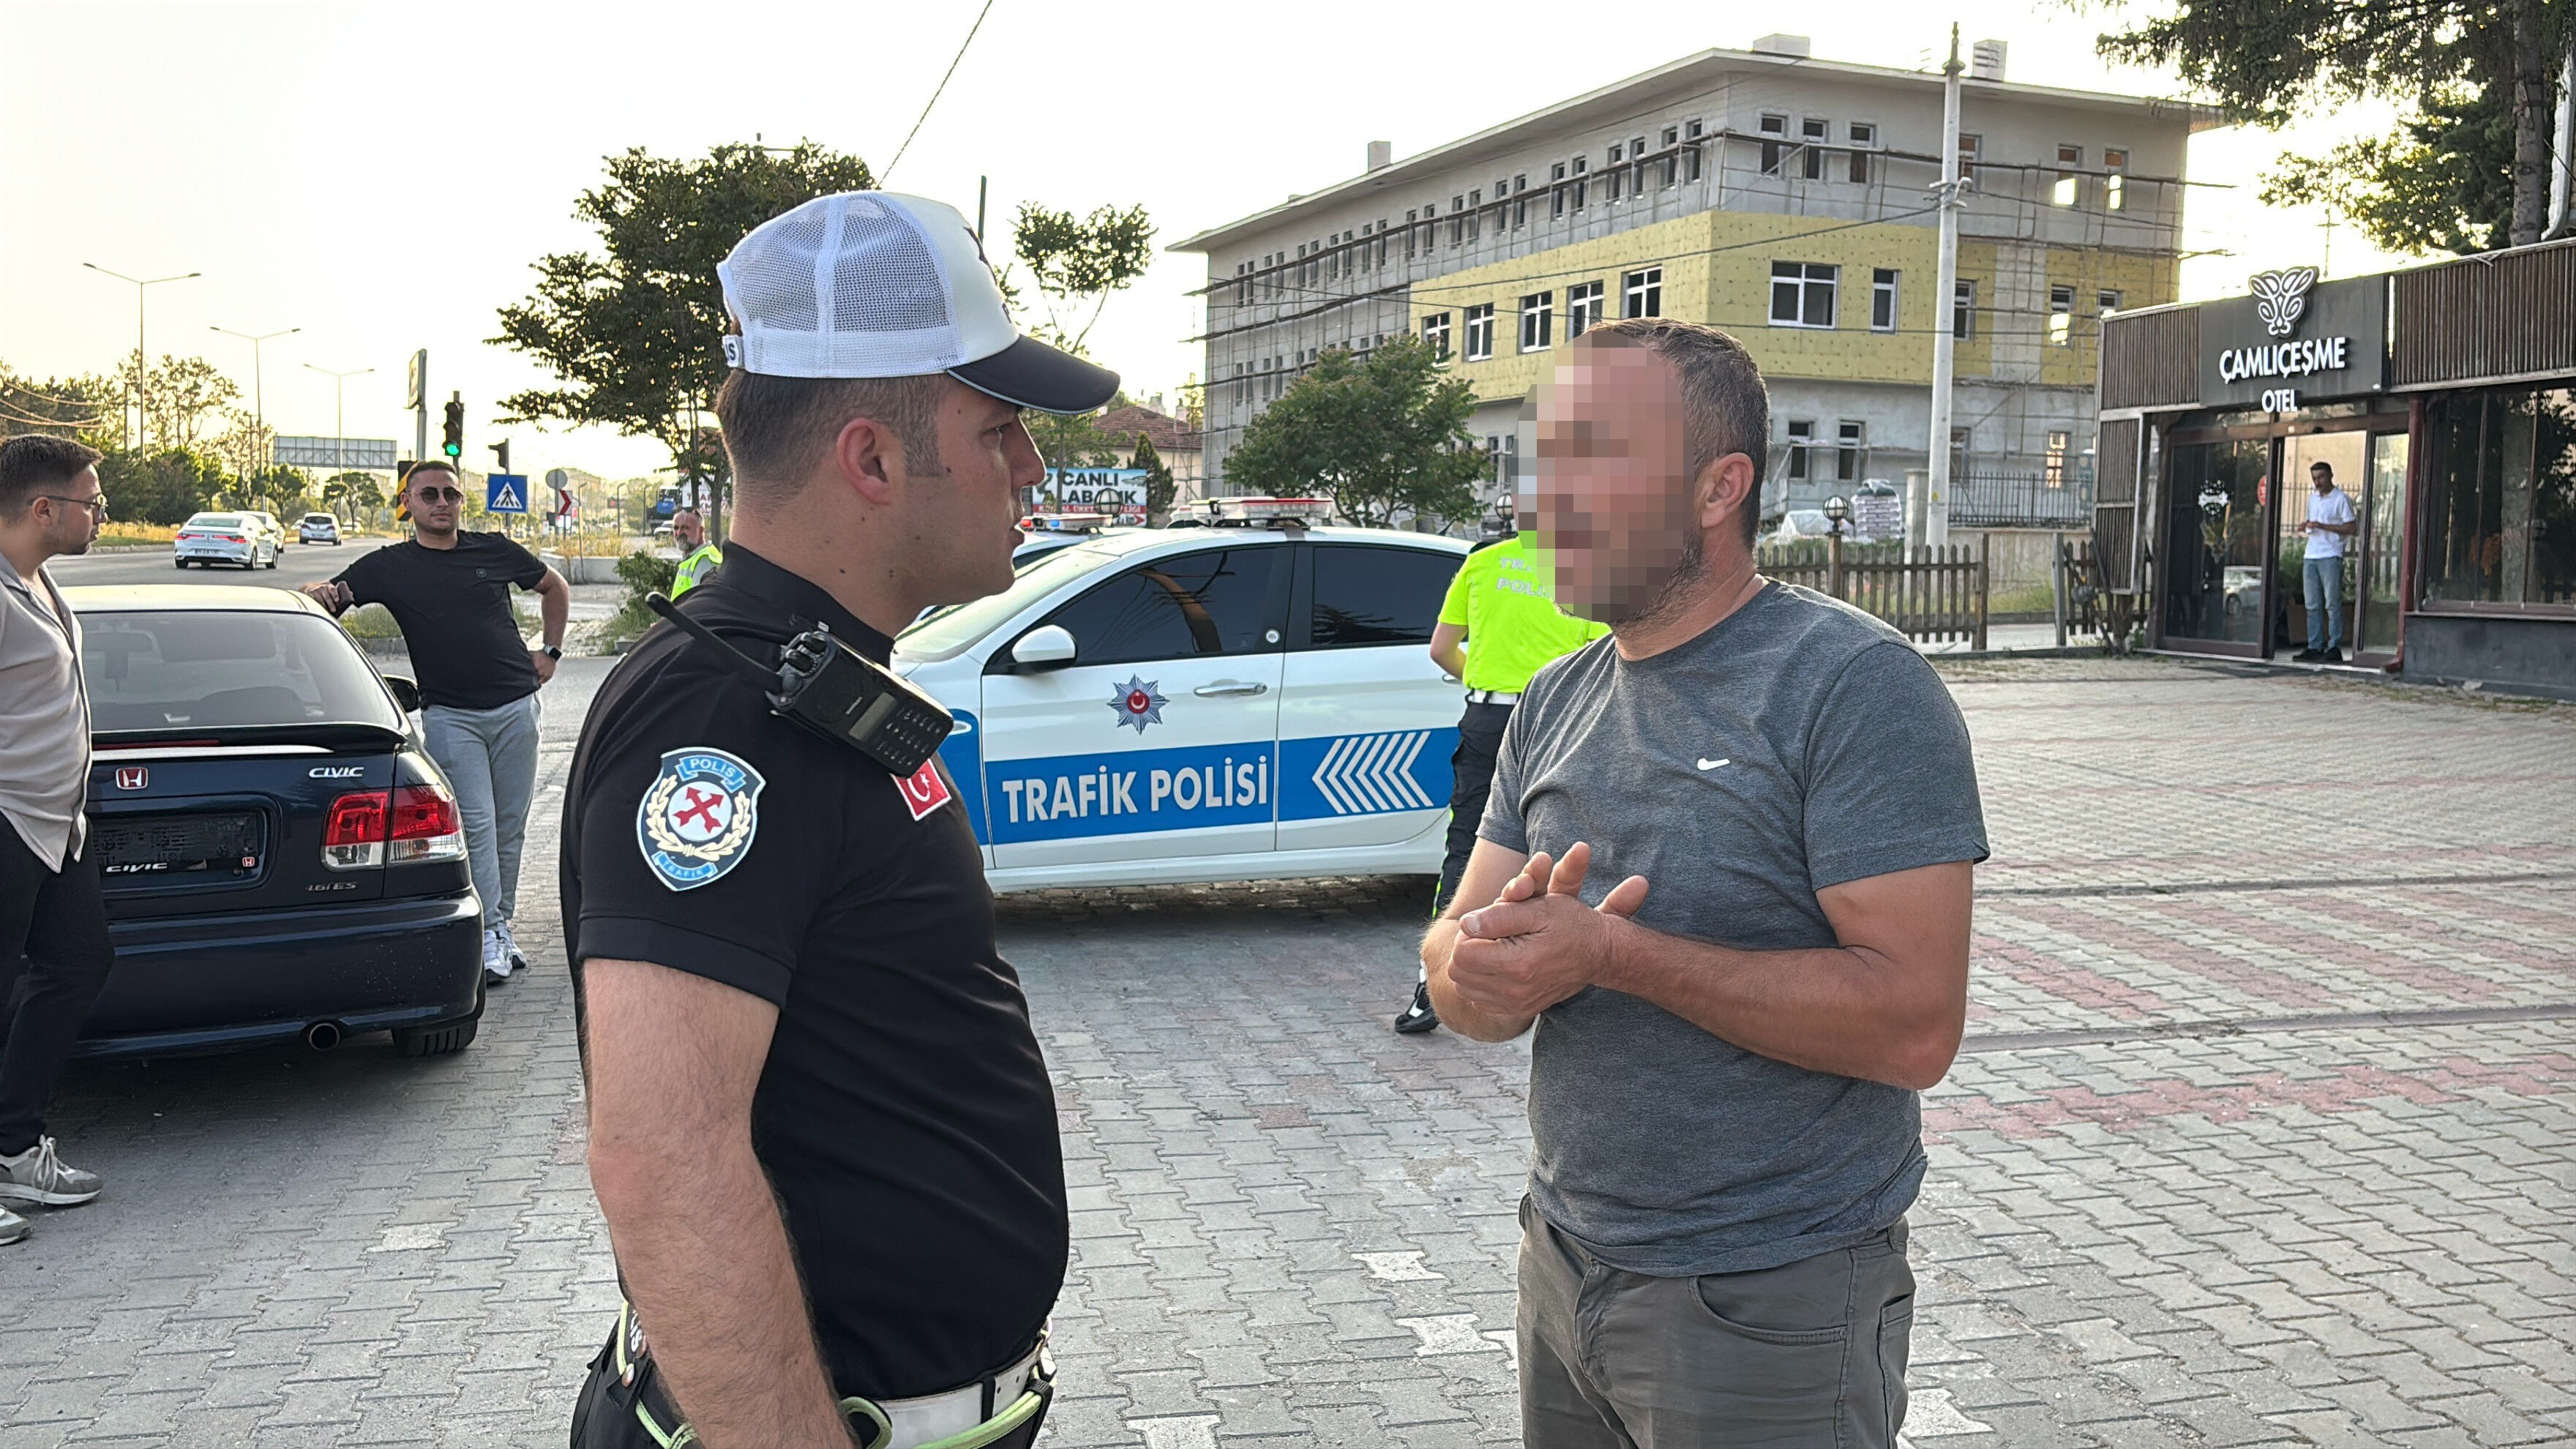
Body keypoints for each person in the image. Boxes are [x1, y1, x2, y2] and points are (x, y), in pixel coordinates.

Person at [562, 190, 1118, 1449]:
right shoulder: (723, 721)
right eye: (1000, 427)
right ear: (870, 458)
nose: (1032, 466)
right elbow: (664, 1158)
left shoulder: (807, 675)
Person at [1420, 320, 1988, 1448]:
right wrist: (1482, 974)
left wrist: (1618, 957)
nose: (1551, 497)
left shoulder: (1854, 687)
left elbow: (1915, 1026)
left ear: (1717, 486)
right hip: (1564, 1263)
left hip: (1768, 1299)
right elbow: (1453, 961)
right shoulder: (1555, 698)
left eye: (1594, 458)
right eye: (1549, 457)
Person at [300, 461, 569, 983]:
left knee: (510, 824)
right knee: (478, 821)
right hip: (451, 716)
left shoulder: (492, 549)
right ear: (409, 504)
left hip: (517, 706)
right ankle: (488, 931)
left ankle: (501, 926)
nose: (441, 502)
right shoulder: (389, 565)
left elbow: (553, 587)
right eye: (429, 495)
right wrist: (317, 594)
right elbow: (335, 598)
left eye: (450, 494)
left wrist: (551, 651)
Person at [1393, 515, 1607, 1035]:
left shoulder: (1481, 563)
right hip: (1560, 719)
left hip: (1487, 718)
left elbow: (1441, 649)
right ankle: (1569, 975)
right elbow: (1602, 662)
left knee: (1468, 846)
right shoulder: (1581, 570)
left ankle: (1433, 985)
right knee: (1574, 846)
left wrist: (1489, 680)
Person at [0, 435, 115, 1245]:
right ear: (45, 510)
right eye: (91, 502)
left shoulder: (35, 583)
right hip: (7, 817)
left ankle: (14, 1148)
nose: (100, 514)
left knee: (78, 960)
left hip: (54, 825)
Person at [2296, 460, 2357, 662]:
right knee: (2312, 603)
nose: (2317, 482)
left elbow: (2351, 528)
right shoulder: (2312, 499)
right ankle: (2314, 645)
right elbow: (2313, 525)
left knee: (2332, 603)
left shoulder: (2341, 499)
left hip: (2331, 554)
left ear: (2330, 475)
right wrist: (2306, 526)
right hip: (2311, 554)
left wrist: (2323, 526)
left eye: (2321, 477)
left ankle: (2334, 645)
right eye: (2314, 478)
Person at [667, 509, 722, 598]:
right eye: (676, 528)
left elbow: (703, 605)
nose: (679, 533)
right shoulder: (691, 558)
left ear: (700, 531)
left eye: (685, 528)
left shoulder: (705, 560)